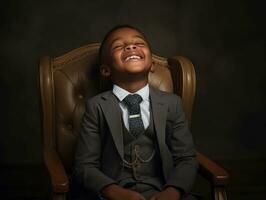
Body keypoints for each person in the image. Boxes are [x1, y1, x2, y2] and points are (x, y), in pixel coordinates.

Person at [72, 25, 199, 200]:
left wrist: (172, 192)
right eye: (118, 46)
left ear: (152, 64)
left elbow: (186, 159)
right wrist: (115, 192)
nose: (131, 46)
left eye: (138, 43)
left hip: (164, 190)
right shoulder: (96, 107)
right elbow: (85, 165)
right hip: (114, 194)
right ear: (105, 70)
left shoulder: (172, 103)